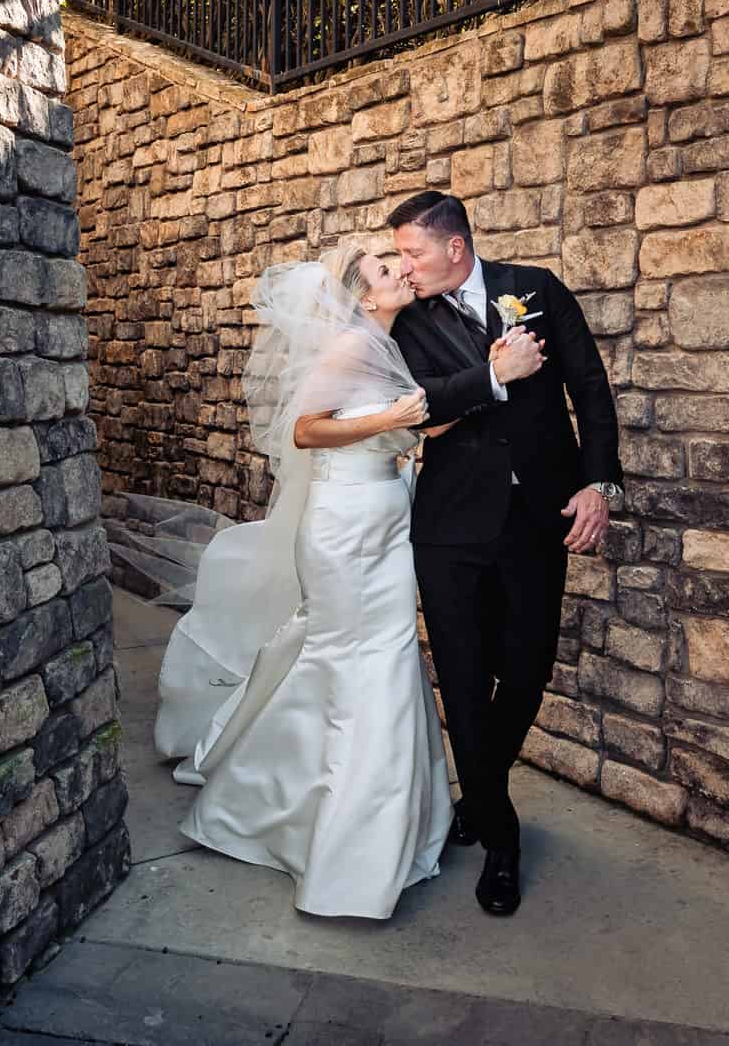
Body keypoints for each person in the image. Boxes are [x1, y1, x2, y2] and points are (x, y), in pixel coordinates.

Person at [153, 242, 453, 919]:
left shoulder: (387, 343)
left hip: (385, 526)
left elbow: (399, 427)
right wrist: (393, 420)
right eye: (385, 268)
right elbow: (305, 430)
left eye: (397, 262)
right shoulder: (349, 346)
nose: (401, 269)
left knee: (388, 656)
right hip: (343, 530)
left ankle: (390, 822)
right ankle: (346, 855)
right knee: (356, 663)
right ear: (362, 294)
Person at [386, 191, 623, 917]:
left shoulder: (537, 289)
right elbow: (419, 402)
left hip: (535, 519)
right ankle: (502, 831)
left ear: (455, 246)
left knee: (527, 668)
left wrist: (598, 481)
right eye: (397, 256)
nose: (405, 266)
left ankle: (479, 791)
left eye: (413, 253)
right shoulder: (405, 322)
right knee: (460, 678)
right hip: (450, 528)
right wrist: (496, 377)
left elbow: (588, 384)